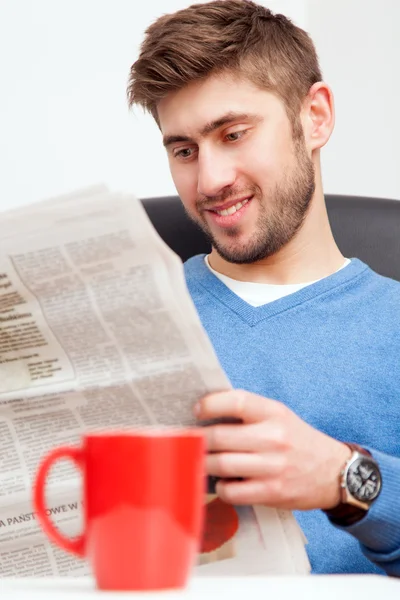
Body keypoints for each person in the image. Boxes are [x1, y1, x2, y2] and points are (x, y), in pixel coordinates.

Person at [127, 0, 400, 576]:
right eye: (183, 150)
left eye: (233, 133)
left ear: (316, 117)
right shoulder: (135, 315)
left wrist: (344, 478)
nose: (209, 180)